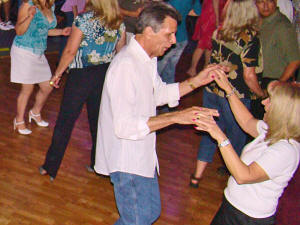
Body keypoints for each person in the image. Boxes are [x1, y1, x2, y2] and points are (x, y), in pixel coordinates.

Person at [94, 2, 225, 224]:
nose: (174, 41)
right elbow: (124, 127)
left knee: (149, 212)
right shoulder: (126, 66)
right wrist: (175, 117)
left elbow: (159, 93)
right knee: (138, 218)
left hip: (141, 154)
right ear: (148, 32)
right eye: (169, 34)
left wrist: (195, 81)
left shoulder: (146, 58)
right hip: (128, 160)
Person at [195, 71, 300, 225]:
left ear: (283, 111)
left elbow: (243, 175)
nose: (264, 103)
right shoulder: (271, 131)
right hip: (233, 208)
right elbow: (246, 121)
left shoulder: (286, 150)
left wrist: (220, 136)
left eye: (270, 100)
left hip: (249, 219)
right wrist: (228, 89)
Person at [39, 0, 126, 180]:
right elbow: (121, 52)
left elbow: (70, 51)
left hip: (81, 75)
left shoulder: (84, 20)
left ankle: (51, 167)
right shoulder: (118, 21)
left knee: (65, 121)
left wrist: (57, 74)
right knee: (98, 122)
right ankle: (98, 164)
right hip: (104, 74)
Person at [190, 0, 266, 188]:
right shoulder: (249, 38)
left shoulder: (219, 31)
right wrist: (262, 94)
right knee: (237, 137)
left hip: (212, 90)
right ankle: (235, 176)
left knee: (210, 131)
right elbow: (249, 76)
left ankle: (196, 176)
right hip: (234, 95)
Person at [11, 0, 71, 135]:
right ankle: (19, 119)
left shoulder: (51, 5)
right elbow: (19, 31)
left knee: (47, 86)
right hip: (24, 50)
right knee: (28, 88)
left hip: (39, 52)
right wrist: (30, 16)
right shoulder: (28, 5)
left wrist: (62, 31)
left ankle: (35, 111)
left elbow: (45, 30)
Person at [256, 0, 300, 87]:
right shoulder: (259, 21)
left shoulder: (282, 26)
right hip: (259, 79)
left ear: (275, 2)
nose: (265, 6)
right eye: (261, 2)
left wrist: (278, 85)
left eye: (269, 1)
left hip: (274, 80)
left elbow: (295, 61)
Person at [157, 0, 201, 85]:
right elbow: (197, 12)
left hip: (168, 38)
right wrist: (183, 11)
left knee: (157, 69)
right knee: (170, 70)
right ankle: (168, 96)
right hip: (182, 38)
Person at [186, 0, 227, 77]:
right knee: (203, 43)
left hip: (214, 13)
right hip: (211, 15)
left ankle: (205, 67)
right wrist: (217, 20)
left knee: (209, 44)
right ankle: (192, 68)